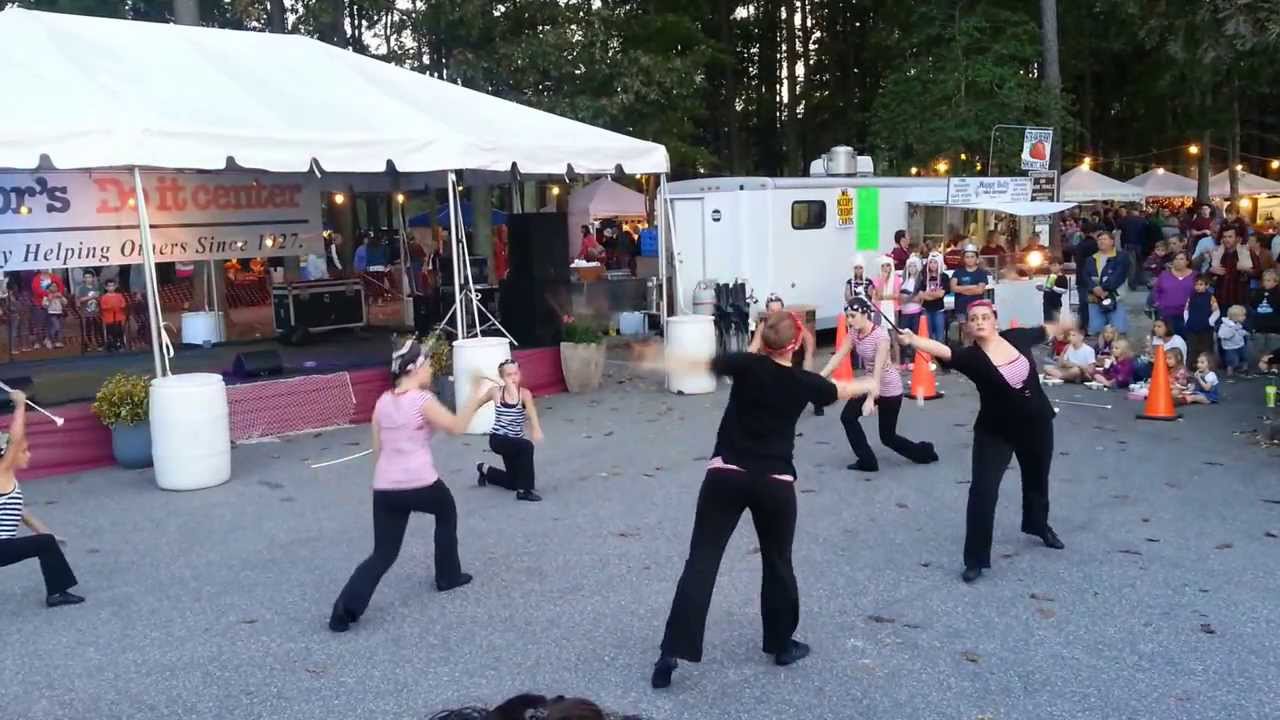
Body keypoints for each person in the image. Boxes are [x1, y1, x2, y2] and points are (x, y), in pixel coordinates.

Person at [647, 312, 875, 689]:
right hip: (773, 482)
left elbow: (720, 361)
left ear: (763, 340)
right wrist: (871, 380)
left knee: (701, 561)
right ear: (796, 344)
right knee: (777, 560)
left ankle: (670, 653)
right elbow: (839, 390)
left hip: (726, 475)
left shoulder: (746, 365)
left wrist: (758, 339)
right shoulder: (803, 381)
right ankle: (782, 644)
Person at [896, 301, 1067, 583]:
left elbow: (1046, 330)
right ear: (968, 327)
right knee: (982, 492)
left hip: (1037, 424)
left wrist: (1064, 322)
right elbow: (945, 351)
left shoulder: (1018, 337)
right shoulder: (970, 357)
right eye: (973, 319)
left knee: (1037, 478)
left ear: (995, 321)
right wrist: (914, 340)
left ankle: (1038, 525)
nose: (979, 322)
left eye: (985, 317)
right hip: (995, 431)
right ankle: (975, 559)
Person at [329, 340, 488, 633]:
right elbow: (456, 427)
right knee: (446, 510)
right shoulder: (421, 400)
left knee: (383, 554)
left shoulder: (382, 402)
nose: (431, 369)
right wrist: (478, 397)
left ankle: (344, 610)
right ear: (414, 368)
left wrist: (386, 482)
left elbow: (378, 451)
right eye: (428, 365)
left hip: (386, 488)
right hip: (421, 483)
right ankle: (448, 576)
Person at [820, 299, 938, 472]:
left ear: (865, 314)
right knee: (847, 417)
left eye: (853, 316)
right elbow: (838, 357)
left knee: (888, 437)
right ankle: (867, 460)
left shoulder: (881, 336)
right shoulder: (854, 333)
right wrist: (818, 378)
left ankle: (924, 452)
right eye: (848, 317)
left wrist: (870, 399)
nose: (850, 321)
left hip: (889, 388)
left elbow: (878, 370)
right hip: (869, 383)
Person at [1, 390, 85, 608]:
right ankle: (57, 594)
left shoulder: (8, 483)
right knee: (45, 544)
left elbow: (24, 514)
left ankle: (57, 592)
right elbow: (15, 440)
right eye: (24, 451)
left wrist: (49, 535)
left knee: (46, 542)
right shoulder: (2, 474)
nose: (28, 454)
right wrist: (20, 405)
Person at [475, 359, 545, 502]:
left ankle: (484, 469)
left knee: (513, 482)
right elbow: (476, 404)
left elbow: (532, 412)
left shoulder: (524, 394)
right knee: (527, 446)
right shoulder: (495, 392)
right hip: (498, 439)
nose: (513, 377)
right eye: (509, 375)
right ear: (502, 377)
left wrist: (536, 428)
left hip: (515, 440)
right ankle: (525, 491)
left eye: (516, 373)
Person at [748, 294, 822, 415]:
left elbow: (808, 339)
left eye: (779, 310)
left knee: (805, 383)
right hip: (776, 358)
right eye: (772, 311)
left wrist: (808, 358)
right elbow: (754, 346)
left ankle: (817, 402)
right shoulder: (764, 326)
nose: (776, 314)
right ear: (767, 311)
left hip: (795, 355)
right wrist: (742, 360)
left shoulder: (793, 321)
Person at [1081, 231, 1129, 335]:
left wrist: (1103, 288)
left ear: (1112, 241)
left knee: (1117, 329)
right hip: (1094, 297)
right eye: (1099, 240)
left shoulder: (1121, 257)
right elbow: (1085, 276)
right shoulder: (1091, 259)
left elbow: (1119, 275)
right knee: (1096, 329)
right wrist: (1094, 288)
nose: (1101, 242)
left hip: (1115, 296)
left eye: (1104, 239)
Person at [1208, 227, 1259, 309]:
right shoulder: (1218, 253)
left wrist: (1246, 269)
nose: (1226, 239)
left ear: (1237, 238)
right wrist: (1211, 270)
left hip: (1240, 300)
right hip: (1221, 300)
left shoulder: (1247, 252)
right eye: (1224, 237)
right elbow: (1208, 276)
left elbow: (1258, 273)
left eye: (1230, 237)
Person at [950, 244, 990, 344]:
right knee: (966, 332)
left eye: (972, 257)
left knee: (977, 333)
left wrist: (962, 289)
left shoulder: (981, 273)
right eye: (967, 257)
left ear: (976, 258)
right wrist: (972, 287)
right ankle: (967, 353)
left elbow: (980, 290)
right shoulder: (958, 272)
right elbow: (953, 288)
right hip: (961, 307)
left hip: (976, 309)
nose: (970, 259)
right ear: (964, 258)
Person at [1151, 251, 1197, 336]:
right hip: (1167, 314)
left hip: (1188, 315)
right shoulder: (1164, 275)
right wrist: (1158, 303)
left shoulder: (1195, 276)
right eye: (1175, 259)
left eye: (1181, 259)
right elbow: (1156, 291)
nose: (1178, 261)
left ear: (1187, 262)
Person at [1183, 275, 1220, 369]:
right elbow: (1186, 310)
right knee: (1192, 348)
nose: (1198, 287)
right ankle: (1192, 367)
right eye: (1196, 284)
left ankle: (1208, 368)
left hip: (1206, 328)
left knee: (1207, 348)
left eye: (1201, 284)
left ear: (1207, 286)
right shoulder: (1191, 296)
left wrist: (1209, 322)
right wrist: (1187, 321)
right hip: (1192, 327)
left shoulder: (1210, 297)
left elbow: (1216, 311)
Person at [898, 256, 924, 366]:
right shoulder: (903, 281)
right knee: (903, 337)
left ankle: (914, 361)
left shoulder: (920, 282)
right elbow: (900, 298)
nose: (912, 268)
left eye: (914, 266)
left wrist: (907, 298)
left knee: (914, 337)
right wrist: (910, 298)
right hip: (904, 313)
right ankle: (903, 361)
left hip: (916, 312)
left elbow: (920, 299)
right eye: (910, 266)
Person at [920, 252, 950, 343]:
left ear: (939, 263)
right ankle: (930, 357)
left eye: (935, 262)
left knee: (940, 336)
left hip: (939, 310)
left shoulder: (944, 277)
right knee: (928, 336)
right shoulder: (924, 276)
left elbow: (941, 294)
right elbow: (921, 295)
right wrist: (935, 294)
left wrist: (928, 294)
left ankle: (939, 357)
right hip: (926, 309)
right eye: (931, 262)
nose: (933, 265)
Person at [1116, 206, 1148, 290]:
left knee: (1131, 265)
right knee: (1139, 264)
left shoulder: (1124, 220)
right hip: (1140, 244)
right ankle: (1140, 280)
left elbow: (1118, 230)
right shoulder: (1143, 220)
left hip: (1128, 244)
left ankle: (1131, 283)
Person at [1216, 305, 1249, 377]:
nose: (1244, 317)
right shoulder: (1225, 325)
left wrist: (1243, 333)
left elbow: (1239, 331)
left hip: (1240, 344)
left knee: (1244, 356)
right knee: (1232, 360)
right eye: (1242, 316)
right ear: (1235, 317)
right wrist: (1232, 331)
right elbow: (1221, 335)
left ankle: (1245, 369)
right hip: (1230, 347)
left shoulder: (1238, 324)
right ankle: (1229, 372)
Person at [75, 270, 103, 351]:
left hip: (96, 313)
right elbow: (80, 300)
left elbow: (100, 299)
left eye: (89, 277)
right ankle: (88, 345)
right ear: (83, 279)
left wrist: (97, 298)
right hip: (86, 313)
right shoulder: (82, 289)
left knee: (97, 329)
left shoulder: (96, 287)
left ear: (93, 278)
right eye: (86, 277)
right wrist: (91, 297)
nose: (88, 279)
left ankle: (99, 344)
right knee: (88, 330)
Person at [872, 255, 900, 332]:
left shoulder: (896, 278)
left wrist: (883, 297)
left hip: (893, 309)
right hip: (879, 309)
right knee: (879, 333)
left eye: (888, 265)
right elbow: (878, 295)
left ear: (891, 267)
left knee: (893, 333)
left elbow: (897, 295)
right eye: (883, 266)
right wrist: (882, 280)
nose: (885, 268)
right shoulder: (876, 279)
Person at [1037, 256, 1069, 323]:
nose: (1052, 268)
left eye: (1055, 265)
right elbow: (1048, 288)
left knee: (1055, 323)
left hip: (1056, 303)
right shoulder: (1050, 276)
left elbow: (1064, 290)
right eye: (1051, 266)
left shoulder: (1063, 278)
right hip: (1047, 303)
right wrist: (1041, 288)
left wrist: (1054, 288)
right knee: (1047, 322)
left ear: (1061, 266)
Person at [100, 279, 128, 352]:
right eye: (109, 286)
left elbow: (123, 304)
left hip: (119, 317)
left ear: (115, 286)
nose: (111, 288)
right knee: (110, 332)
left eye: (112, 286)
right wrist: (111, 307)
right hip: (109, 318)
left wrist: (120, 306)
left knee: (119, 331)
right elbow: (103, 306)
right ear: (106, 287)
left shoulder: (119, 295)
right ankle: (111, 345)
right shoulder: (104, 297)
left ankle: (120, 344)